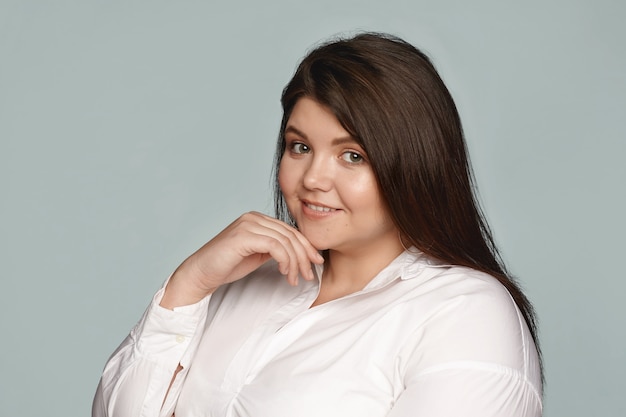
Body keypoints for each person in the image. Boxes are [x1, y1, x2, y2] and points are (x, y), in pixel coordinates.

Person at [92, 32, 543, 417]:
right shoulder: (245, 282)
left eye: (353, 156)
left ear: (413, 166)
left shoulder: (465, 314)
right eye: (300, 147)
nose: (312, 180)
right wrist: (187, 287)